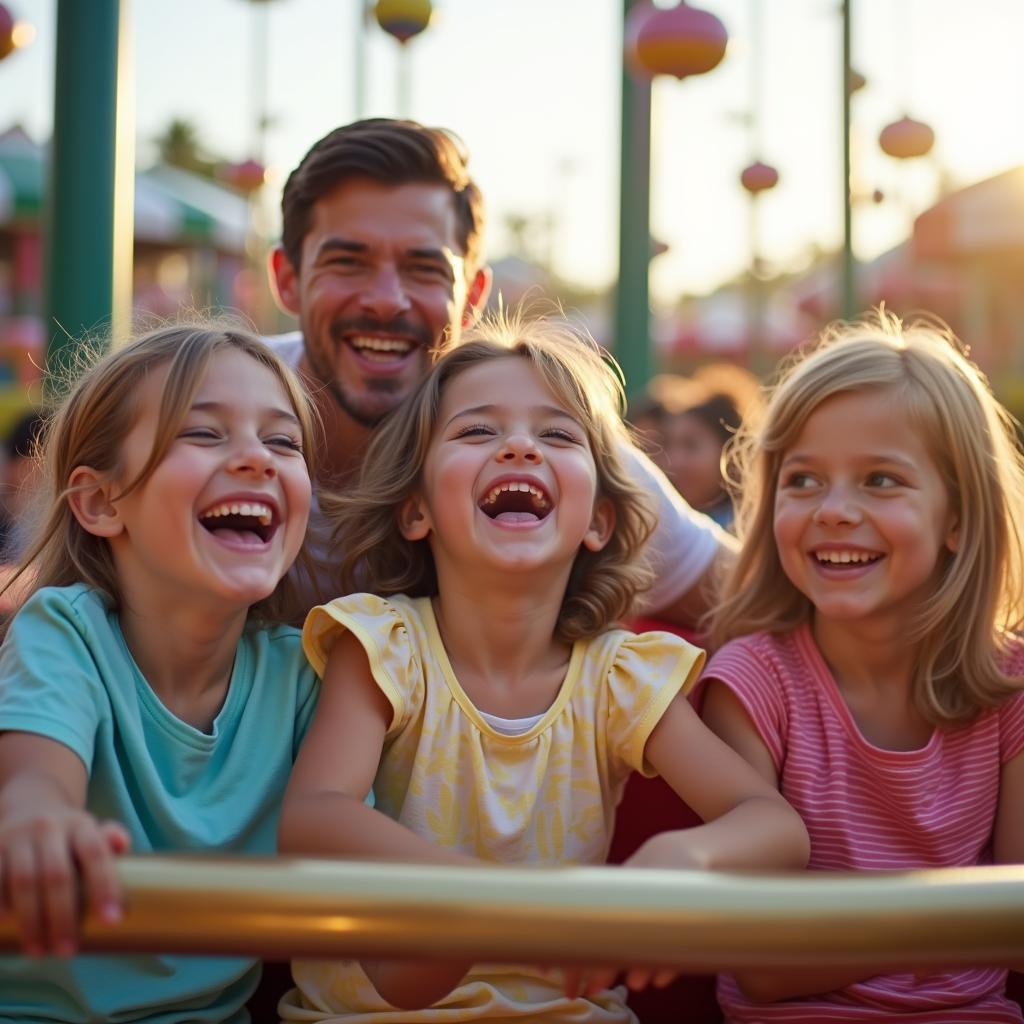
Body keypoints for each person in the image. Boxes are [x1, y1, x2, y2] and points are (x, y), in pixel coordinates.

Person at [277, 313, 810, 1023]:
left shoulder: (619, 678)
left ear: (599, 521)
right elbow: (315, 816)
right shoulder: (382, 646)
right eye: (477, 431)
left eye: (557, 435)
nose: (521, 446)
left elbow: (774, 826)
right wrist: (472, 897)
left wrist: (684, 859)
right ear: (415, 509)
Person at [267, 117, 734, 626]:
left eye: (424, 269)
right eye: (348, 263)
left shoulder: (549, 451)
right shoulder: (206, 422)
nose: (386, 300)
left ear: (470, 298)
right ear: (287, 280)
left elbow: (749, 602)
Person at [697, 313, 1024, 1022]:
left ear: (959, 517)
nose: (835, 511)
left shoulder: (1011, 688)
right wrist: (968, 915)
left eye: (880, 480)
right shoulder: (753, 683)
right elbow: (764, 965)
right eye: (804, 480)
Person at [0, 324, 323, 1023]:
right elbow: (36, 782)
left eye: (283, 442)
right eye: (203, 434)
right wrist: (39, 820)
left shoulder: (304, 675)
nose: (257, 460)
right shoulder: (67, 631)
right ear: (99, 502)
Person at [660, 364, 762, 533]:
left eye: (691, 445)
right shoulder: (666, 525)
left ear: (732, 451)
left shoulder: (754, 531)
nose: (674, 461)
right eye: (669, 444)